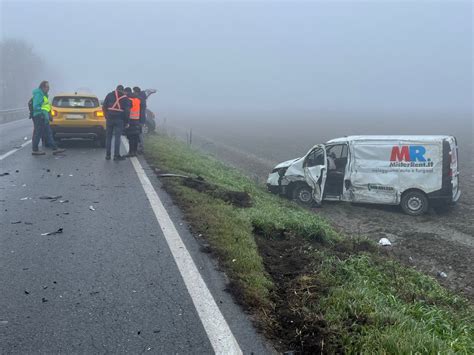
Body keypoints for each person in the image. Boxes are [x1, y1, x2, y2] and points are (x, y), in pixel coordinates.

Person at [31, 81, 65, 155]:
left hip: (44, 116)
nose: (48, 88)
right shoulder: (39, 94)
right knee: (38, 132)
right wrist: (42, 113)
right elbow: (36, 106)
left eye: (48, 87)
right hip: (39, 116)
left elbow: (46, 107)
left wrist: (49, 115)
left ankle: (55, 148)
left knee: (48, 132)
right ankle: (35, 150)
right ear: (42, 87)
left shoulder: (44, 95)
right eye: (47, 87)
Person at [102, 85, 131, 161]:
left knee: (108, 137)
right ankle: (116, 156)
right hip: (119, 119)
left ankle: (107, 155)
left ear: (116, 89)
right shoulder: (125, 98)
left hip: (110, 118)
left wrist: (106, 116)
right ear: (123, 90)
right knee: (117, 138)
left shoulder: (109, 95)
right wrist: (126, 121)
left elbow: (104, 106)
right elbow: (127, 111)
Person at [124, 88, 142, 157]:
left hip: (130, 120)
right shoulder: (138, 100)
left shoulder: (129, 100)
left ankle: (131, 152)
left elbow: (127, 111)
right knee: (135, 137)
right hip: (137, 120)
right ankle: (135, 152)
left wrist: (126, 121)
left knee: (130, 137)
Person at [133, 87, 147, 154]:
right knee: (139, 133)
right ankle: (140, 148)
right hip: (141, 119)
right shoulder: (143, 99)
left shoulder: (140, 99)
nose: (133, 93)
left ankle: (141, 148)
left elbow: (140, 110)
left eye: (134, 92)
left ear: (136, 92)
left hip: (140, 119)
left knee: (139, 134)